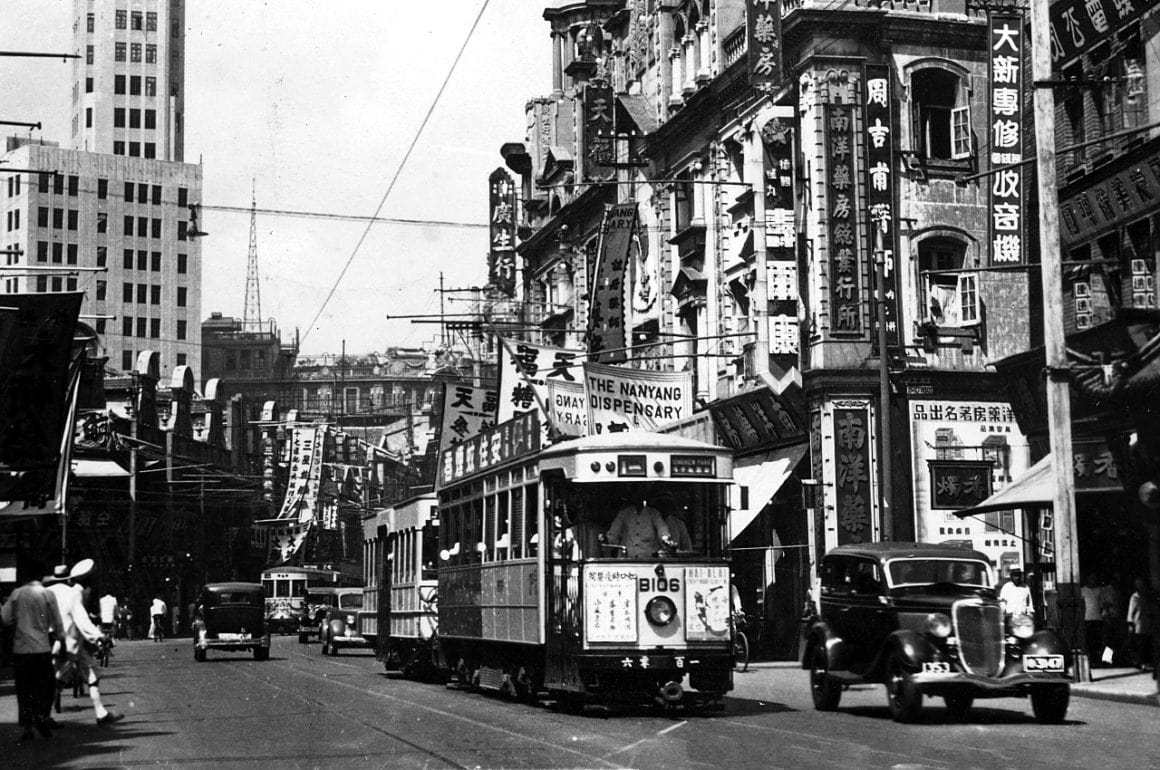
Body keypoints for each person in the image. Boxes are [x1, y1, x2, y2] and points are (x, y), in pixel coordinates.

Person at [50, 559, 123, 726]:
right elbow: (82, 619)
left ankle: (101, 713)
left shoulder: (55, 591)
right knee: (74, 676)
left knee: (82, 675)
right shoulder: (75, 594)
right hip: (72, 643)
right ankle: (45, 715)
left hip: (63, 641)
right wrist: (98, 636)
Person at [1, 560, 65, 742]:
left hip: (21, 650)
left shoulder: (16, 594)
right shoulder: (47, 594)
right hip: (42, 648)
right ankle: (42, 715)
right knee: (46, 686)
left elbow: (5, 618)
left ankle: (27, 727)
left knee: (24, 688)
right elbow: (57, 621)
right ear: (41, 576)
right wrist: (60, 637)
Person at [606, 499, 673, 559]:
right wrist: (609, 539)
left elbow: (661, 528)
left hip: (648, 558)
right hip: (627, 558)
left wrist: (665, 538)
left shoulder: (654, 513)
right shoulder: (624, 513)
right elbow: (614, 531)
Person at [1127, 577, 1158, 672]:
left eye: (1142, 584)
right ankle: (1141, 663)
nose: (1141, 586)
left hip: (1148, 623)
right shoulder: (1135, 597)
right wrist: (1130, 623)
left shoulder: (1147, 596)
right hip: (1139, 624)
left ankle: (1146, 662)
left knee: (1147, 643)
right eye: (1138, 584)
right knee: (1141, 644)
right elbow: (1131, 611)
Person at [1081, 573, 1107, 667]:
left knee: (1097, 641)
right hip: (1088, 618)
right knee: (1089, 641)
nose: (1093, 580)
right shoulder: (1083, 590)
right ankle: (1091, 660)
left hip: (1098, 618)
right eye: (1091, 578)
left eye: (1094, 578)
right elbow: (1081, 605)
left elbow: (1102, 603)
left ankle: (1096, 660)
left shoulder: (1099, 590)